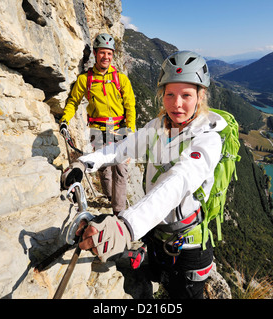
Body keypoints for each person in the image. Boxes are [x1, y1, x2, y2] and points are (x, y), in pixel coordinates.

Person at [63, 51, 227, 299]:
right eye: (169, 94)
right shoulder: (158, 127)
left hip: (189, 249)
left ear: (200, 96)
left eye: (186, 95)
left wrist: (126, 227)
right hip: (156, 236)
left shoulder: (208, 139)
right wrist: (84, 163)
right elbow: (121, 148)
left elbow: (180, 180)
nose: (176, 104)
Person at [59, 33, 136, 215]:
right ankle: (109, 197)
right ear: (95, 53)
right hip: (98, 131)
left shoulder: (120, 79)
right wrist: (64, 120)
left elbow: (130, 105)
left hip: (120, 129)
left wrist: (131, 130)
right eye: (102, 53)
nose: (106, 57)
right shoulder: (85, 79)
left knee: (120, 170)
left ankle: (119, 212)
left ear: (113, 55)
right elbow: (73, 102)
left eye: (109, 53)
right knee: (104, 169)